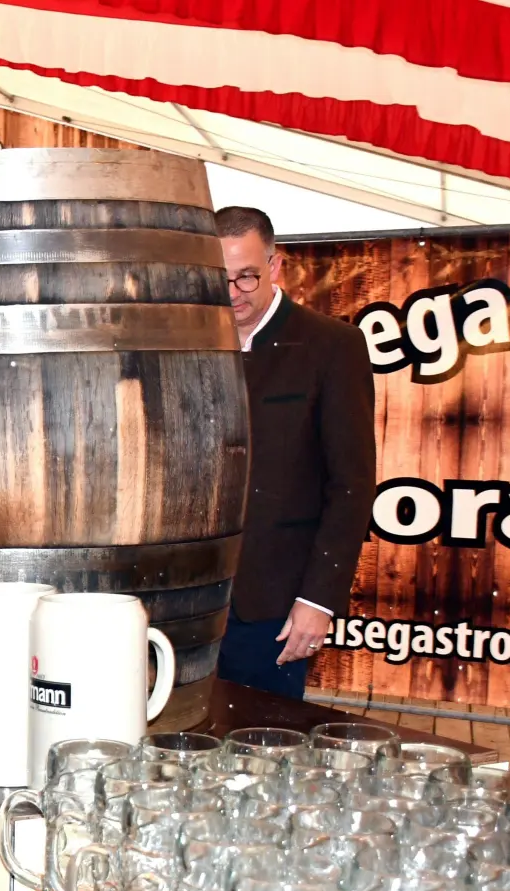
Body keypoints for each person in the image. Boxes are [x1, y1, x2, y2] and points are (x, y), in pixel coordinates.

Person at [216, 206, 377, 700]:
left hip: (274, 604)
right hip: (192, 601)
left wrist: (317, 600)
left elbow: (351, 485)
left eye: (246, 277)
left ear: (275, 265)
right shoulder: (191, 341)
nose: (233, 294)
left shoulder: (331, 346)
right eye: (220, 279)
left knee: (258, 747)